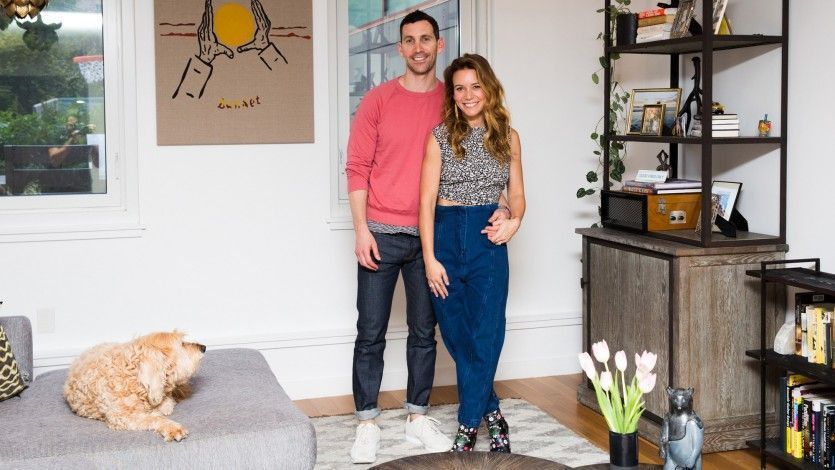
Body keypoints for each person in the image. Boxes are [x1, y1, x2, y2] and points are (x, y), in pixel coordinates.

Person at [343, 10, 452, 464]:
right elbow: (357, 167)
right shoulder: (378, 100)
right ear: (400, 48)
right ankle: (367, 423)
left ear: (439, 45)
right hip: (381, 235)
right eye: (410, 40)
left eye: (426, 39)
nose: (418, 48)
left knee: (424, 332)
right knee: (370, 333)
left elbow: (478, 158)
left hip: (432, 237)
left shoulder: (453, 101)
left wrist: (505, 203)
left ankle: (416, 418)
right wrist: (361, 229)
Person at [418, 53, 525, 453]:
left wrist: (513, 218)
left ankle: (467, 429)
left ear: (489, 88)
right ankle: (493, 413)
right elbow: (425, 203)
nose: (467, 95)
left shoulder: (508, 137)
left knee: (486, 332)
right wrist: (430, 259)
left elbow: (517, 195)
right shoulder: (439, 137)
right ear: (452, 94)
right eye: (459, 88)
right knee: (457, 335)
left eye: (475, 86)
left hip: (487, 241)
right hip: (445, 238)